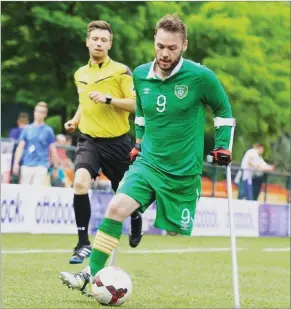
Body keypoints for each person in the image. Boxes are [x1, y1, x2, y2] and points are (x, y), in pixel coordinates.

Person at [59, 13, 233, 296]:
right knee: (115, 209)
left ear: (184, 45)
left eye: (172, 48)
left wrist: (223, 145)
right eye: (160, 46)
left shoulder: (201, 77)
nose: (165, 53)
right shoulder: (140, 75)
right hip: (148, 162)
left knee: (175, 232)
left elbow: (224, 111)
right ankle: (90, 274)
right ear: (154, 42)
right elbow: (140, 112)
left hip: (182, 171)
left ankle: (150, 210)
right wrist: (138, 143)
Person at [64, 20, 143, 264]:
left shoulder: (121, 71)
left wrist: (109, 99)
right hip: (89, 140)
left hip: (118, 142)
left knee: (124, 194)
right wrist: (75, 120)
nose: (99, 43)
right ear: (87, 42)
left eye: (104, 40)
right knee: (79, 183)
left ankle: (136, 217)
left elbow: (136, 104)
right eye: (95, 39)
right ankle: (82, 243)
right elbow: (84, 101)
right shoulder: (80, 73)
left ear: (110, 44)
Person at [13, 102, 58, 186]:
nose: (38, 114)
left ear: (45, 114)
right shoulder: (27, 129)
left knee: (37, 193)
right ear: (34, 112)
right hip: (26, 164)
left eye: (41, 112)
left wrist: (55, 167)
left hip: (41, 165)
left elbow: (53, 150)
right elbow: (20, 147)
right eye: (37, 111)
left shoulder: (48, 130)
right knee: (24, 192)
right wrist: (16, 163)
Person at [9, 112, 29, 184]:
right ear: (28, 122)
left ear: (18, 122)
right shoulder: (29, 132)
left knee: (14, 182)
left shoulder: (13, 131)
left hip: (13, 160)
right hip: (26, 161)